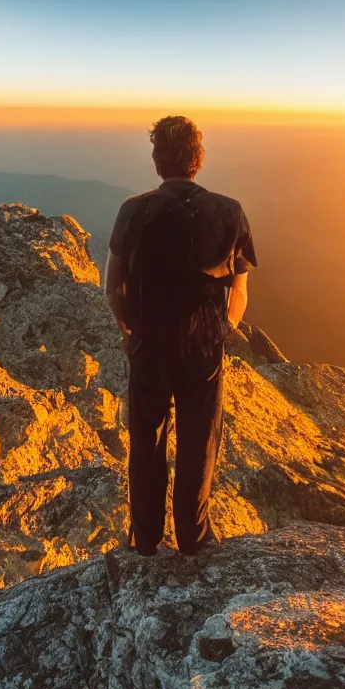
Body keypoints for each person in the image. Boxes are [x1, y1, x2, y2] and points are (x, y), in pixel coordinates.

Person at [105, 115, 257, 556]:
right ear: (197, 160)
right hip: (203, 345)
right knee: (199, 440)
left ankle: (147, 538)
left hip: (149, 343)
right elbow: (239, 291)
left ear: (157, 161)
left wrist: (128, 332)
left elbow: (114, 287)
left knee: (147, 441)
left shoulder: (134, 210)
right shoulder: (229, 211)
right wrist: (223, 330)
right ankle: (193, 537)